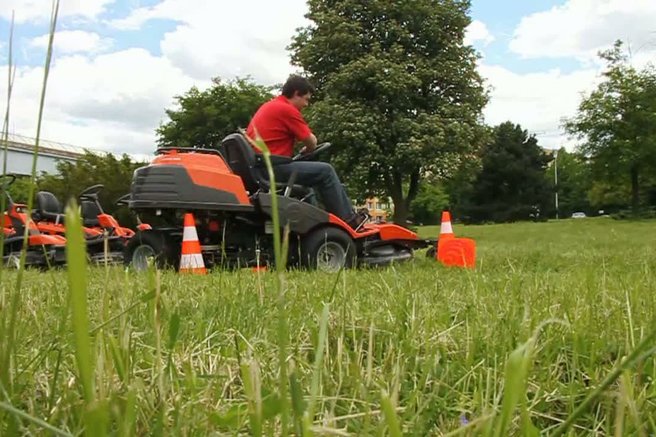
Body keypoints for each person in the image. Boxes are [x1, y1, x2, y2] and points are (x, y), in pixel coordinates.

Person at [246, 75, 367, 230]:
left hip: (262, 165)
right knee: (326, 171)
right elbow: (311, 141)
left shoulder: (269, 106)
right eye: (306, 99)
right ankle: (349, 220)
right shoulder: (286, 109)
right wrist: (310, 148)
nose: (306, 104)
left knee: (307, 185)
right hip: (272, 168)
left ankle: (316, 228)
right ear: (296, 93)